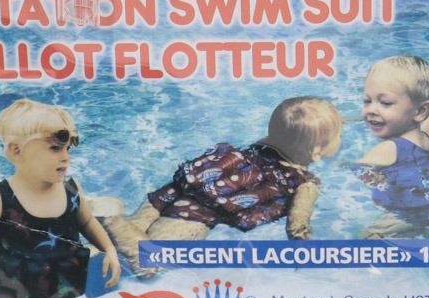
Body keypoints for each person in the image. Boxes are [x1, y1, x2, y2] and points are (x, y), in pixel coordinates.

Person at [105, 97, 342, 273]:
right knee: (151, 263)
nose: (339, 140)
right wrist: (303, 253)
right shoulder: (305, 184)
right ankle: (107, 218)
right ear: (316, 152)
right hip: (194, 216)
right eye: (337, 137)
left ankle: (104, 226)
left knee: (123, 237)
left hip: (169, 192)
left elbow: (292, 134)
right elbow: (297, 225)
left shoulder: (259, 148)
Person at [0, 99, 120, 298]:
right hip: (14, 291)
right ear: (16, 151)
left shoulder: (71, 190)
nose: (66, 157)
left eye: (68, 149)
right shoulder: (0, 197)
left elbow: (87, 222)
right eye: (55, 148)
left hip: (60, 287)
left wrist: (109, 249)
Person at [357, 56, 429, 239]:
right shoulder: (427, 138)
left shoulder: (387, 149)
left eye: (385, 103)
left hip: (410, 212)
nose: (371, 110)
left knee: (365, 238)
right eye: (367, 101)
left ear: (420, 111)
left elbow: (359, 172)